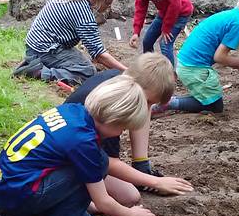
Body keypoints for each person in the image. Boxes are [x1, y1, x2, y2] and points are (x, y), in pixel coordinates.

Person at [0, 75, 157, 216]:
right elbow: (102, 202)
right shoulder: (83, 142)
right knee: (100, 163)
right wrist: (130, 214)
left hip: (6, 185)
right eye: (123, 128)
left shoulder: (72, 110)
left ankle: (8, 211)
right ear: (113, 120)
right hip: (23, 192)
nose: (121, 132)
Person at [64, 53, 193, 203]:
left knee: (130, 188)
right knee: (129, 196)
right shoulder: (112, 108)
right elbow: (108, 162)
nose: (147, 109)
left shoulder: (120, 80)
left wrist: (141, 165)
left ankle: (141, 165)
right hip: (68, 158)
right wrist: (155, 181)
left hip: (80, 149)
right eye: (148, 101)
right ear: (133, 84)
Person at [152, 0, 239, 115]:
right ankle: (169, 103)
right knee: (215, 106)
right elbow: (219, 57)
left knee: (209, 100)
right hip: (194, 68)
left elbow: (219, 54)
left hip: (186, 63)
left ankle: (172, 102)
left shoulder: (232, 15)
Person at [13, 0, 126, 85]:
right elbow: (99, 54)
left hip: (37, 43)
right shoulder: (82, 13)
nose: (109, 7)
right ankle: (38, 72)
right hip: (44, 50)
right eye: (107, 3)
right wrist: (127, 72)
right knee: (87, 72)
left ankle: (35, 62)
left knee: (82, 61)